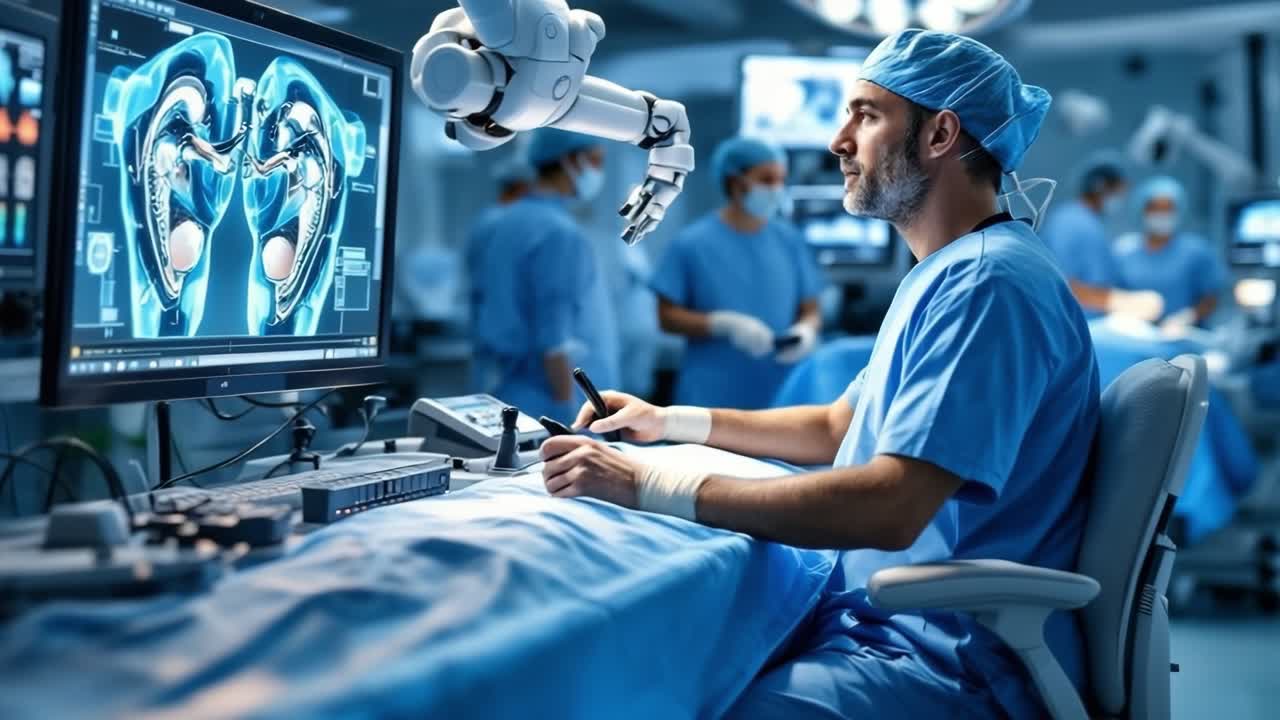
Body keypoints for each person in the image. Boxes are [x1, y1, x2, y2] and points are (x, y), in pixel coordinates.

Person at [538, 30, 1099, 719]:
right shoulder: (950, 274)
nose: (837, 141)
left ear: (940, 134)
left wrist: (648, 483)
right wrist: (666, 422)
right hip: (892, 624)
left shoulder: (988, 284)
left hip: (948, 661)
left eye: (865, 115)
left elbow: (891, 507)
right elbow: (840, 425)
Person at [650, 136, 826, 409]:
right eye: (767, 180)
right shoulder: (691, 243)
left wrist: (806, 331)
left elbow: (810, 308)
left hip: (782, 395)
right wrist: (723, 325)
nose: (777, 189)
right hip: (711, 397)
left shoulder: (789, 241)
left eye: (781, 179)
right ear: (735, 182)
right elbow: (667, 317)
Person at [467, 128, 619, 421]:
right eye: (596, 161)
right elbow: (555, 343)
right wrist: (568, 415)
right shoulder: (559, 233)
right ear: (572, 161)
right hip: (551, 402)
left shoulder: (505, 221)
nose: (600, 172)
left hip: (514, 392)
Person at [1041, 153, 1164, 321]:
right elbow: (1062, 286)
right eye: (1119, 190)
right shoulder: (1073, 223)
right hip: (1071, 324)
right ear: (1100, 186)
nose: (1120, 198)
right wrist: (1119, 302)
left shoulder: (1085, 222)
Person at [1113, 175, 1227, 335]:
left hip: (1184, 337)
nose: (1161, 214)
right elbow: (1113, 294)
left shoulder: (1195, 250)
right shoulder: (1125, 251)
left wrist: (1187, 318)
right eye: (1155, 208)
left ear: (1178, 211)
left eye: (1168, 208)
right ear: (1142, 210)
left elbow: (1211, 296)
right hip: (1136, 335)